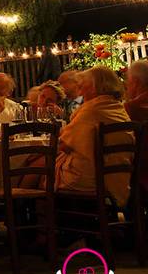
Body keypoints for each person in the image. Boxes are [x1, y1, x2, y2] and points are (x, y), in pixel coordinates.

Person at [54, 67, 133, 205]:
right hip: (118, 178)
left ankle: (25, 216)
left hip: (91, 177)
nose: (81, 91)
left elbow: (64, 145)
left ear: (94, 87)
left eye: (83, 86)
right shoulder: (118, 108)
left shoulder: (91, 110)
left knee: (40, 168)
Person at [124, 60, 148, 194]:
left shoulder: (131, 108)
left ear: (137, 82)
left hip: (140, 173)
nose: (126, 86)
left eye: (128, 82)